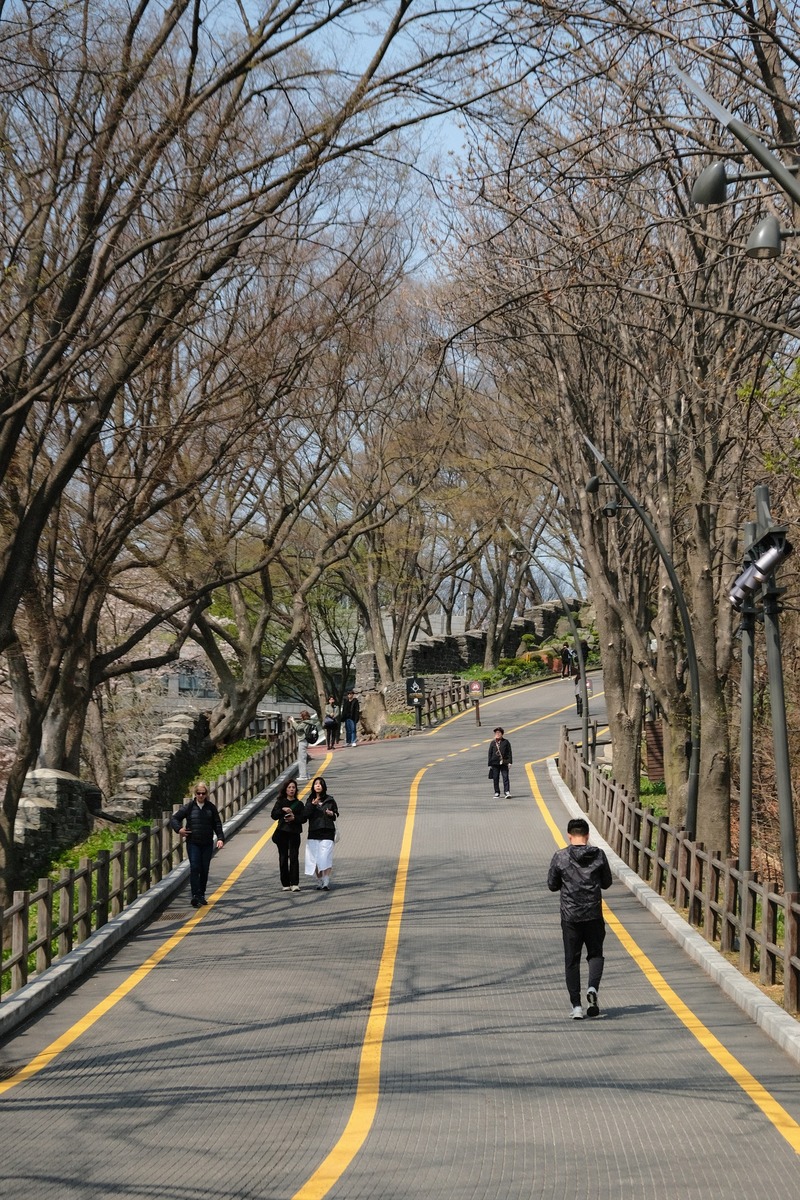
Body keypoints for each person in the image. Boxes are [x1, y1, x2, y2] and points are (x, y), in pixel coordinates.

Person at [547, 817, 612, 1019]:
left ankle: (576, 1006)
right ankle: (592, 988)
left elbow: (552, 885)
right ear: (587, 835)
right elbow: (607, 883)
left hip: (570, 916)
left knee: (572, 961)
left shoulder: (560, 857)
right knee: (595, 954)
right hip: (593, 914)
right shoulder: (599, 855)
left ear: (569, 835)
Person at [170, 781, 224, 908]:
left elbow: (217, 823)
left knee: (204, 869)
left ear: (206, 794)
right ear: (195, 794)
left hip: (207, 843)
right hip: (193, 842)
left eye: (203, 793)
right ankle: (195, 895)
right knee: (195, 867)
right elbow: (175, 818)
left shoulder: (211, 807)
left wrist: (220, 838)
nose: (200, 795)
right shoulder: (189, 807)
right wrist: (179, 830)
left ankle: (201, 894)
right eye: (198, 793)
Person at [303, 775, 339, 889]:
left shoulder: (330, 800)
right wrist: (312, 805)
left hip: (327, 831)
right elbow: (305, 815)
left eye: (320, 784)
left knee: (325, 856)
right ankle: (319, 879)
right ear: (313, 787)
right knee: (315, 858)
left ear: (323, 787)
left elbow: (336, 814)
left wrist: (331, 813)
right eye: (316, 784)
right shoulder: (309, 800)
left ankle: (326, 880)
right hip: (314, 832)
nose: (318, 786)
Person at [271, 778, 305, 892]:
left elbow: (304, 818)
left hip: (294, 833)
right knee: (283, 857)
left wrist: (294, 818)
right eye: (289, 787)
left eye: (293, 788)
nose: (291, 789)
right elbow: (273, 815)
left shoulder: (299, 804)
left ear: (296, 790)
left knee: (294, 857)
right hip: (282, 833)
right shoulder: (280, 802)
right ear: (285, 790)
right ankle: (285, 883)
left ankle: (295, 883)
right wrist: (282, 810)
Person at [487, 726, 513, 798]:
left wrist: (510, 762)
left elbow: (509, 752)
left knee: (505, 777)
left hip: (504, 762)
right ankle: (497, 792)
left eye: (499, 732)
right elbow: (490, 753)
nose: (497, 734)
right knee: (495, 778)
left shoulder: (506, 742)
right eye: (496, 733)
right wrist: (490, 763)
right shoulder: (492, 743)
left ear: (502, 734)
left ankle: (507, 792)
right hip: (494, 763)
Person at [291, 709, 315, 781]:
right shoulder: (310, 722)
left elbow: (298, 728)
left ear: (304, 716)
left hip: (303, 740)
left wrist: (293, 721)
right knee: (303, 757)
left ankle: (303, 775)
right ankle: (306, 774)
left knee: (302, 758)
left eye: (301, 716)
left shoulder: (305, 723)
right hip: (306, 740)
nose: (300, 718)